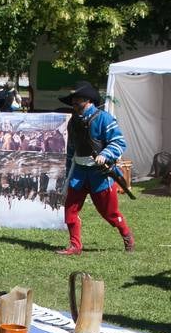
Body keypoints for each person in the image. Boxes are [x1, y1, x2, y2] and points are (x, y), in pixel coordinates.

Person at [57, 81, 133, 255]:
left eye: (78, 100)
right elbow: (71, 149)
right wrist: (68, 172)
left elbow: (119, 142)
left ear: (88, 100)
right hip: (79, 173)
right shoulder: (73, 122)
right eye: (74, 100)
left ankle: (127, 235)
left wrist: (105, 154)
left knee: (110, 213)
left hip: (100, 174)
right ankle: (75, 246)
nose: (75, 104)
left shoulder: (104, 118)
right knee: (70, 209)